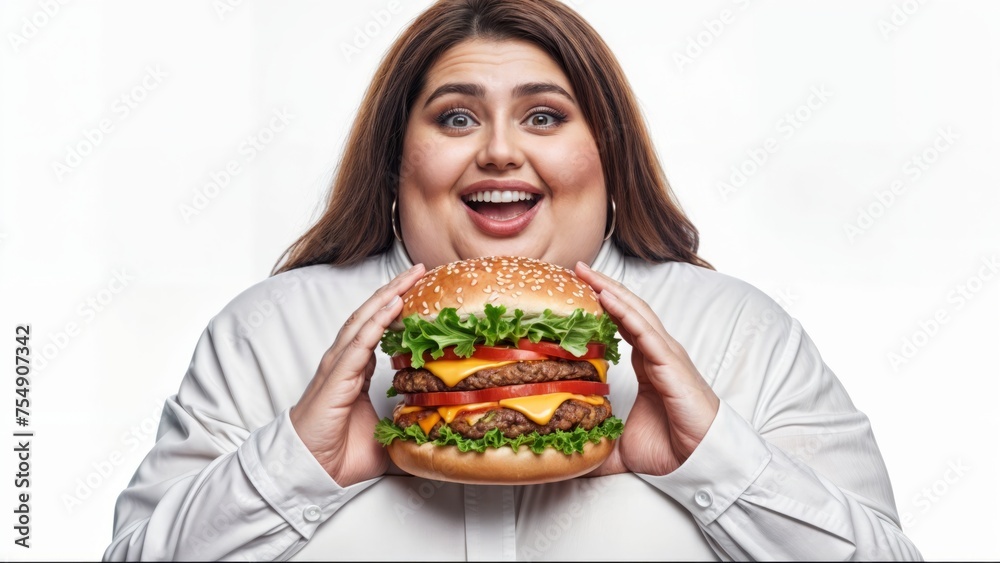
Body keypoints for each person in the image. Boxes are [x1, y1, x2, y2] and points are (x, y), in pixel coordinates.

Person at [104, 0, 922, 560]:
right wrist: (293, 465)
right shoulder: (267, 332)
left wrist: (717, 460)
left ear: (606, 153)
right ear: (398, 157)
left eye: (544, 115)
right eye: (457, 117)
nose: (499, 150)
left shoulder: (739, 332)